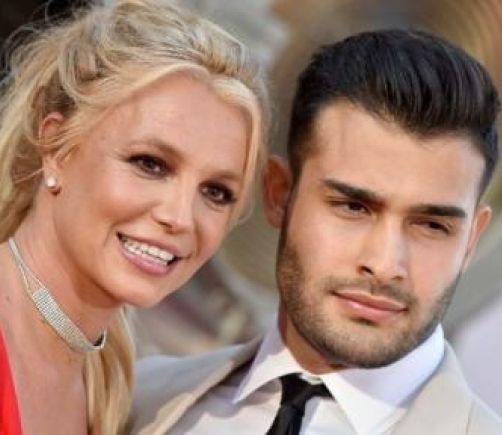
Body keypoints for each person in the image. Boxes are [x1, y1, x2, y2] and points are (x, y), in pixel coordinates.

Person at [129, 29, 502, 434]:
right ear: (279, 194)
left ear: (471, 240)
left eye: (431, 226)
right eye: (353, 207)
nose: (383, 264)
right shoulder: (141, 401)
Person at [0, 0, 269, 433]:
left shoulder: (113, 387)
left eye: (216, 192)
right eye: (150, 164)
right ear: (56, 147)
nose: (180, 217)